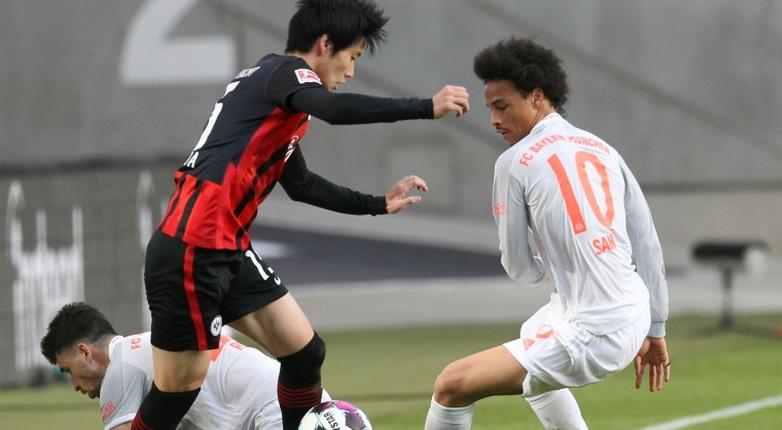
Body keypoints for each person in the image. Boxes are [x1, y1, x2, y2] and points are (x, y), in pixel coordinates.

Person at [137, 0, 470, 429]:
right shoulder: (286, 74)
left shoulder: (279, 99)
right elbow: (335, 111)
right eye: (351, 58)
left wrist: (376, 204)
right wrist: (426, 106)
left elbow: (302, 185)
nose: (350, 72)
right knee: (176, 394)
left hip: (227, 247)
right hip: (192, 247)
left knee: (304, 352)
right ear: (324, 43)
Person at [423, 38, 670, 430]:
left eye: (502, 106)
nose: (493, 120)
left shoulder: (513, 164)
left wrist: (548, 266)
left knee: (451, 385)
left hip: (594, 331)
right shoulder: (604, 150)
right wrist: (655, 329)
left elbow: (519, 267)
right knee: (534, 334)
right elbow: (648, 245)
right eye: (490, 108)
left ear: (537, 97)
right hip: (634, 313)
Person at [40, 302, 331, 430]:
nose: (74, 385)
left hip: (275, 415)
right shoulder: (151, 346)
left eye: (68, 371)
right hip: (304, 402)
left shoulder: (120, 370)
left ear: (84, 352)